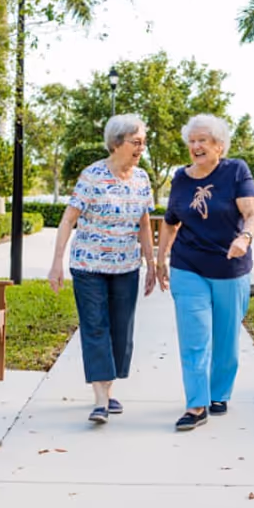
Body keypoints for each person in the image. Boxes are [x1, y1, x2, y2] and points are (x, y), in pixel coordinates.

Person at [156, 114, 254, 431]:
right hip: (188, 265)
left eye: (203, 140)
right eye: (191, 141)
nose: (196, 146)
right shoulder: (180, 177)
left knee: (226, 338)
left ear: (219, 145)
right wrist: (160, 258)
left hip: (231, 268)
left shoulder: (235, 171)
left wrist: (245, 237)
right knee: (194, 337)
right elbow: (170, 220)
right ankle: (196, 404)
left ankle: (219, 393)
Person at [48, 114, 156, 424]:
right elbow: (69, 219)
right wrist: (57, 262)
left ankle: (107, 390)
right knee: (95, 326)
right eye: (137, 142)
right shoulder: (92, 175)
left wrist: (151, 264)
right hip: (88, 265)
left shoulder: (142, 178)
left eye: (143, 143)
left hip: (125, 266)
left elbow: (144, 223)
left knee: (122, 330)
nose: (141, 148)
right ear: (117, 143)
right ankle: (100, 399)